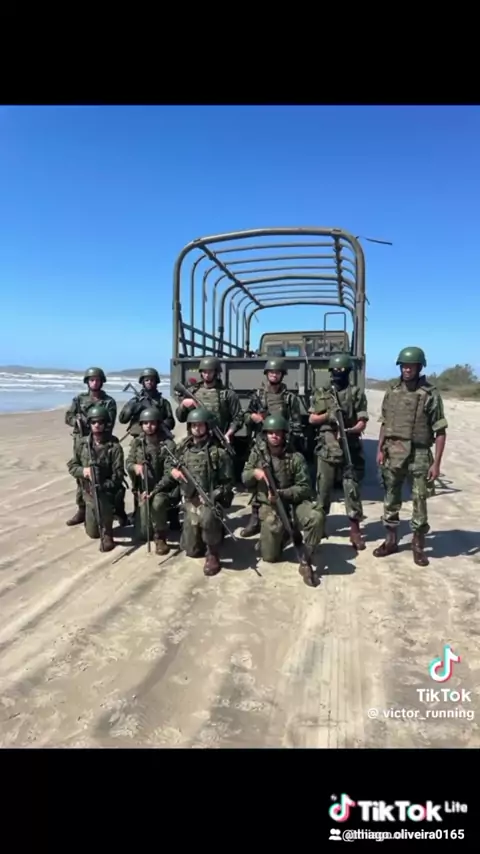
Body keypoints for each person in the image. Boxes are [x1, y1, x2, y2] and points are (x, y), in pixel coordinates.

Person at [373, 346, 448, 566]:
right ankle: (391, 541)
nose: (407, 370)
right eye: (404, 366)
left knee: (419, 500)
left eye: (411, 366)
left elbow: (440, 431)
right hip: (393, 451)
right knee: (391, 497)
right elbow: (385, 423)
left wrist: (436, 464)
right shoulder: (392, 391)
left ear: (419, 367)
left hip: (419, 454)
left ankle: (418, 546)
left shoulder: (430, 394)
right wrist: (379, 449)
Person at [241, 413, 325, 585]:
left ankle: (306, 559)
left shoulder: (296, 457)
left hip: (294, 503)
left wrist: (282, 493)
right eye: (270, 433)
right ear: (265, 434)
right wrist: (254, 473)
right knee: (269, 557)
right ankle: (283, 534)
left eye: (278, 432)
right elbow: (244, 477)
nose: (274, 436)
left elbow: (305, 488)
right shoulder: (257, 455)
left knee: (316, 517)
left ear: (284, 434)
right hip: (269, 505)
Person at [308, 352, 368, 549]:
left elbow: (362, 421)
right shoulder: (322, 392)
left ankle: (355, 531)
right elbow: (312, 419)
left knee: (352, 489)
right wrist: (329, 416)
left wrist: (351, 429)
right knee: (323, 489)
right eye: (334, 370)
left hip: (349, 446)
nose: (337, 373)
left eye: (341, 370)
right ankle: (319, 527)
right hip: (327, 447)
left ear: (348, 371)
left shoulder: (356, 393)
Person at [240, 356, 305, 537]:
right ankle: (255, 518)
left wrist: (286, 439)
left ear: (282, 375)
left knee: (283, 479)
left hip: (282, 444)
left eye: (277, 372)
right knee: (258, 480)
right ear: (267, 374)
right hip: (261, 444)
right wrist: (253, 417)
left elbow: (296, 424)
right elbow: (245, 416)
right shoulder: (258, 396)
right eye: (271, 372)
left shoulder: (290, 398)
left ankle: (288, 517)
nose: (274, 375)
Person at [166, 407, 235, 576]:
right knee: (191, 551)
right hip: (190, 500)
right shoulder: (183, 449)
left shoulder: (218, 453)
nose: (197, 428)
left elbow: (228, 483)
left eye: (201, 425)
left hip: (209, 502)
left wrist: (213, 495)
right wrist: (172, 471)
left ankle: (213, 554)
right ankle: (207, 534)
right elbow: (169, 462)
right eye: (194, 425)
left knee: (209, 517)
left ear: (207, 426)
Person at [64, 367, 123, 526]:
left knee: (105, 473)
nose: (95, 383)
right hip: (82, 442)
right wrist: (77, 421)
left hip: (101, 442)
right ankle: (82, 509)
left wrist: (95, 424)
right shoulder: (79, 399)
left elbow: (109, 423)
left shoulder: (108, 402)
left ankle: (112, 507)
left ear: (102, 381)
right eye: (92, 380)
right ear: (87, 382)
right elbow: (68, 417)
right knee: (82, 476)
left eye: (97, 380)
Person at [66, 404, 126, 551]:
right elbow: (72, 465)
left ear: (106, 424)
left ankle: (108, 532)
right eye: (94, 422)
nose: (97, 425)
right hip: (89, 492)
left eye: (100, 422)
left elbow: (118, 475)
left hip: (107, 492)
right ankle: (91, 515)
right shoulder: (82, 444)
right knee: (93, 533)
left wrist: (104, 485)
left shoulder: (114, 446)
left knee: (103, 505)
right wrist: (84, 471)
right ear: (89, 424)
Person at [126, 406, 180, 555]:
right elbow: (128, 462)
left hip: (163, 489)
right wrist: (134, 467)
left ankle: (160, 537)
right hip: (144, 489)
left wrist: (154, 491)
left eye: (152, 423)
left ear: (158, 424)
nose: (149, 426)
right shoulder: (138, 443)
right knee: (142, 534)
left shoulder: (168, 444)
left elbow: (169, 473)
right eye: (145, 423)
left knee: (157, 503)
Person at [174, 356, 243, 446]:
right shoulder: (192, 392)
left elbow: (238, 419)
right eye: (204, 372)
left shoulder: (228, 394)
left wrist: (228, 434)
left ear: (216, 372)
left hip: (218, 441)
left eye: (210, 371)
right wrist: (183, 405)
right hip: (196, 442)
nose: (207, 375)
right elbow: (180, 418)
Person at [119, 368, 175, 436]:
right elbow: (122, 420)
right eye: (146, 380)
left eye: (152, 380)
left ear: (156, 382)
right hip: (139, 437)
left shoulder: (163, 402)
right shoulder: (135, 401)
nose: (149, 382)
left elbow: (171, 422)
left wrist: (159, 425)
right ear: (143, 382)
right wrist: (131, 408)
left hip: (158, 436)